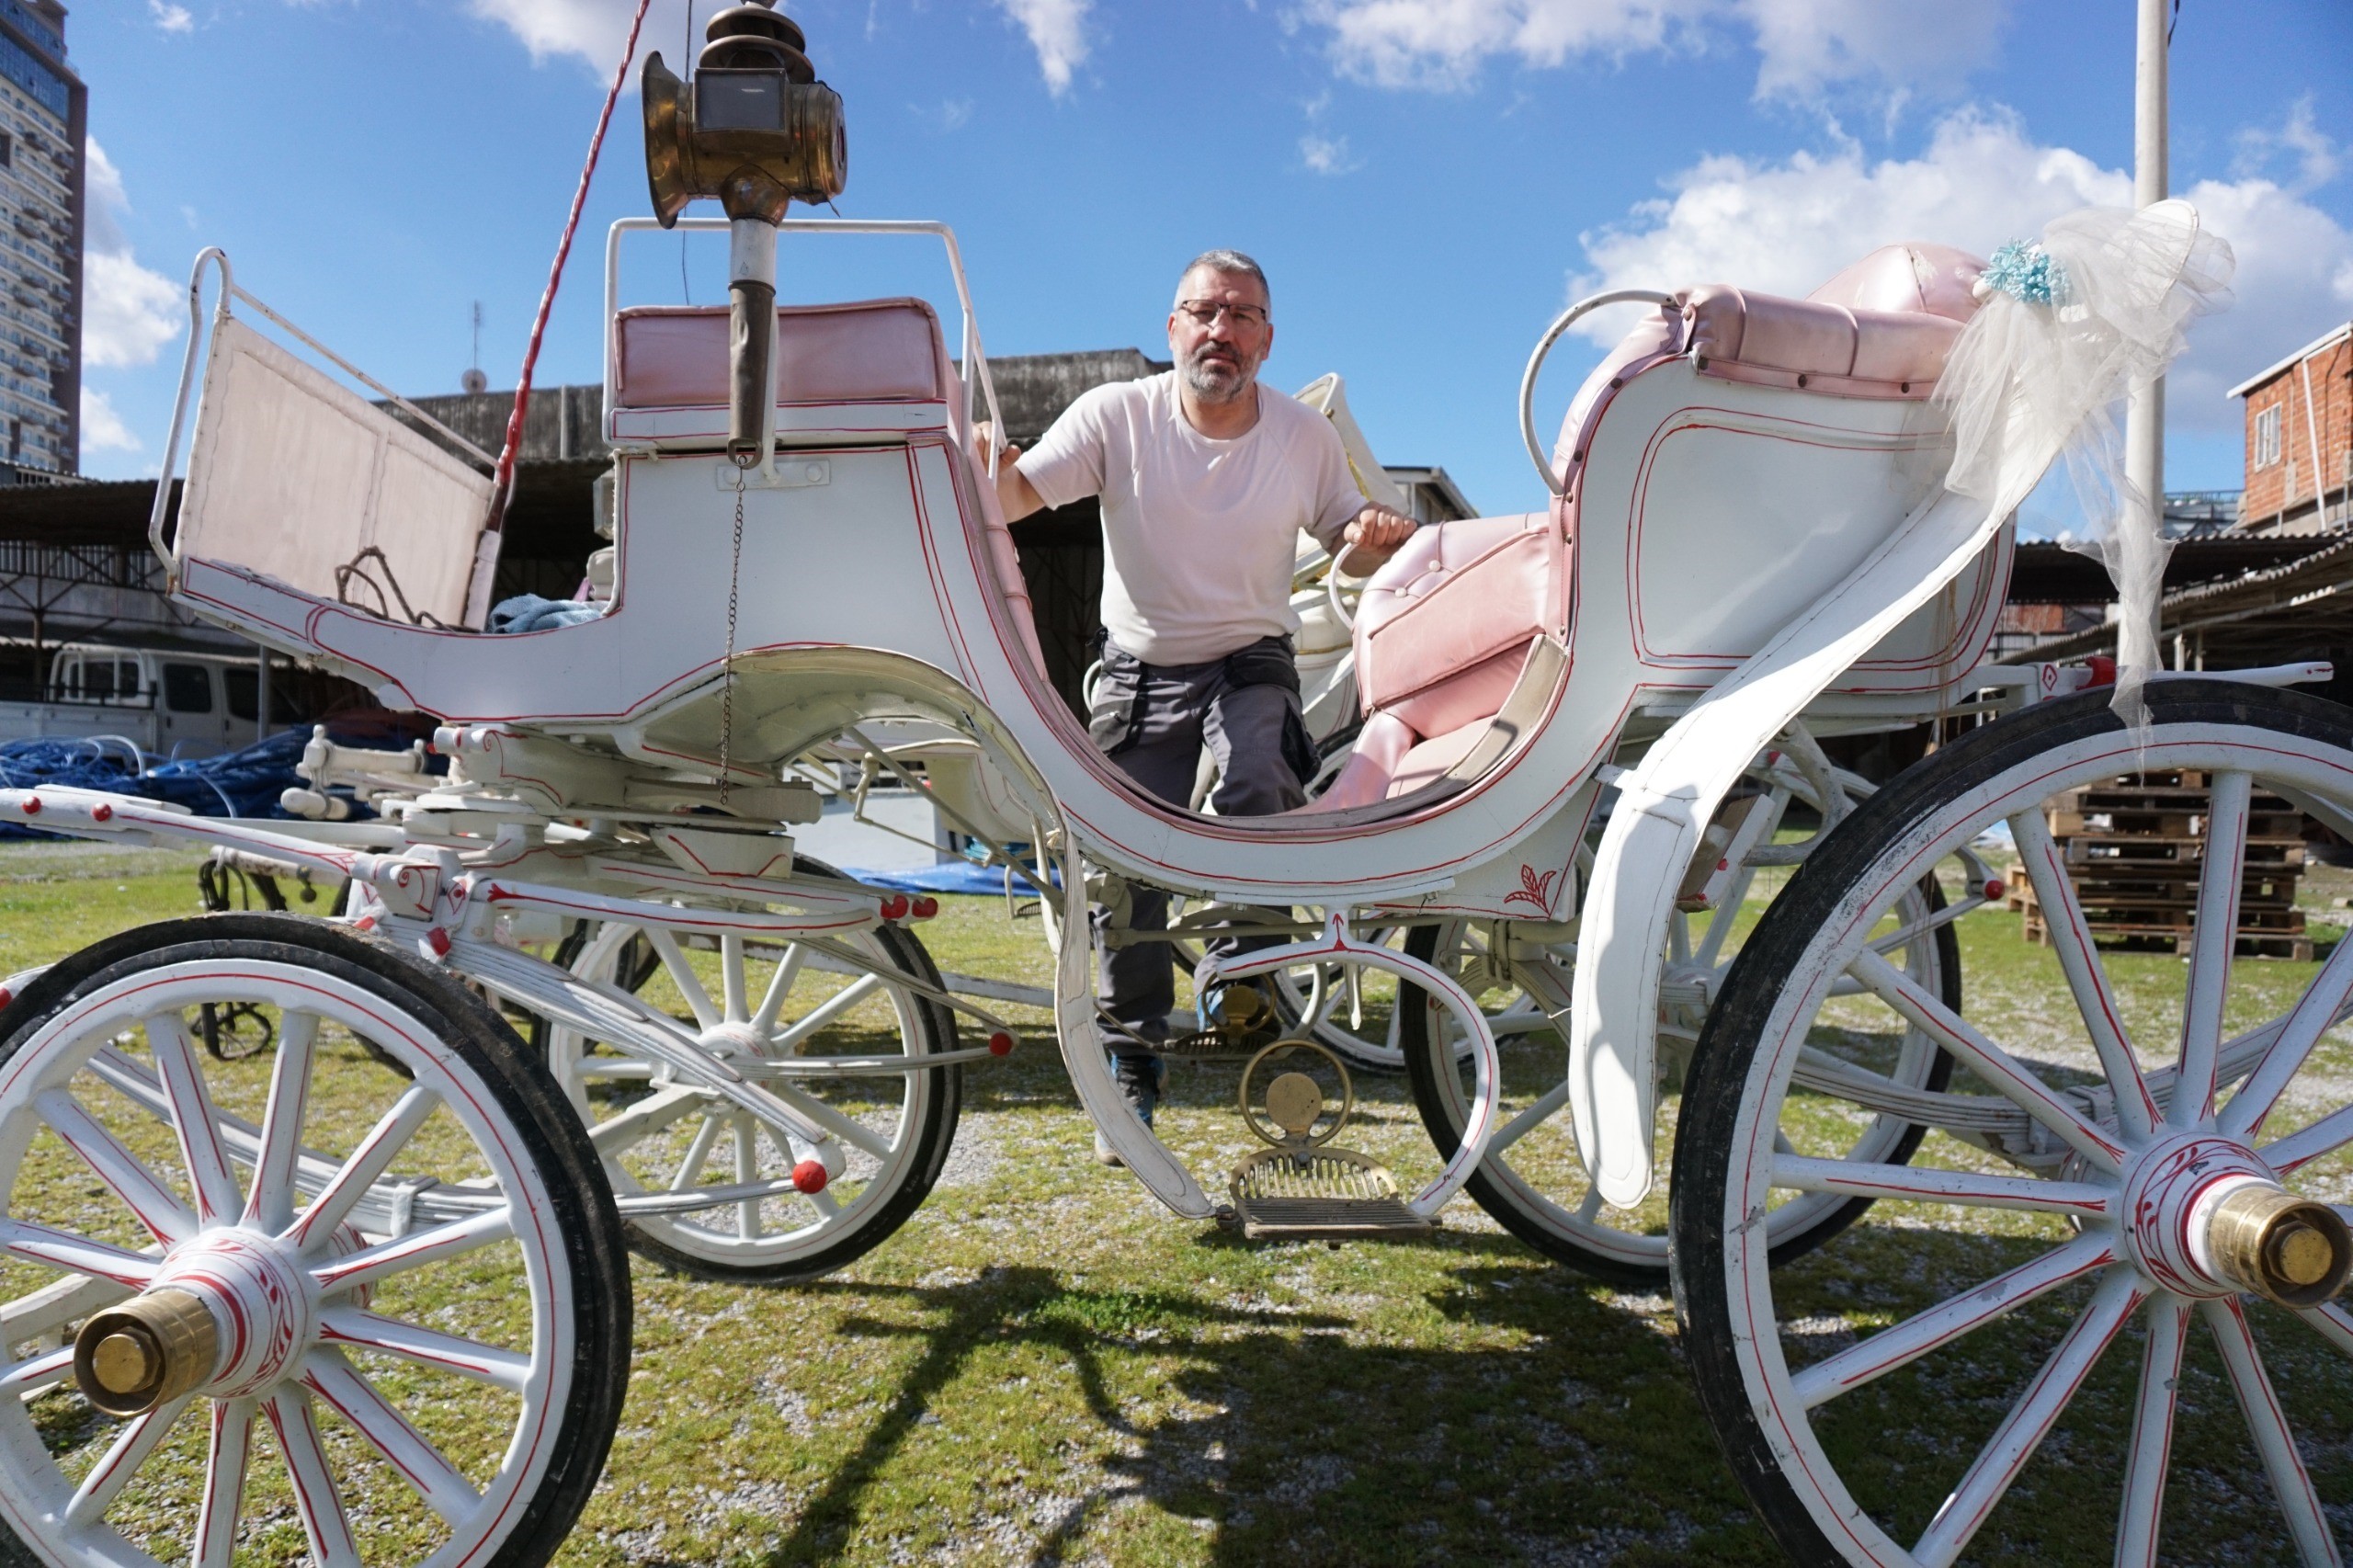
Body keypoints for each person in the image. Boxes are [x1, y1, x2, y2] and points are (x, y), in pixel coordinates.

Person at [979, 249, 1418, 1163]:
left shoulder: (1303, 435)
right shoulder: (1116, 414)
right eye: (1205, 311)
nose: (1222, 330)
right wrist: (983, 463)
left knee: (1260, 778)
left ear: (1266, 339)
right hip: (1139, 670)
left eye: (1241, 315)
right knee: (1123, 859)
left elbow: (1346, 524)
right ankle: (1133, 1062)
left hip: (1249, 658)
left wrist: (1372, 532)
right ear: (1173, 327)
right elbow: (1014, 497)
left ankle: (1241, 977)